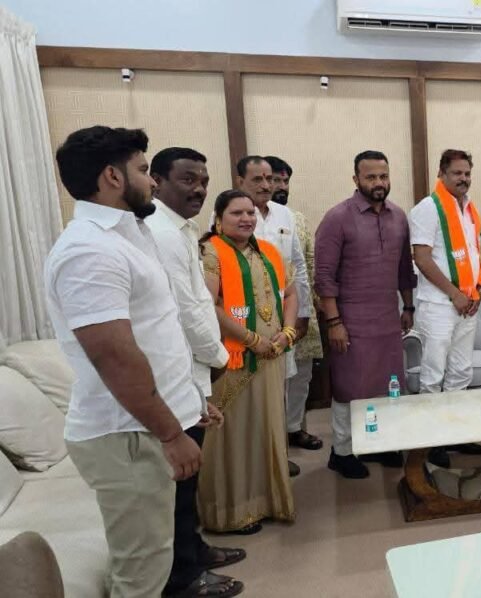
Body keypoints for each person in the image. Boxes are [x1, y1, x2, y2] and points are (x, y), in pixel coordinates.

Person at [45, 126, 204, 596]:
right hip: (128, 434)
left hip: (146, 422)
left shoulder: (130, 233)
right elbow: (115, 357)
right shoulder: (88, 250)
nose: (152, 181)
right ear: (112, 177)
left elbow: (157, 331)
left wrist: (190, 401)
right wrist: (171, 433)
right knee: (142, 573)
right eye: (143, 170)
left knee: (152, 559)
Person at [149, 147, 245, 597]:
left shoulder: (181, 230)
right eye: (188, 180)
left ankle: (193, 549)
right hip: (179, 370)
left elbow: (199, 302)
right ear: (157, 180)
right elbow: (189, 310)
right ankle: (183, 575)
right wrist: (219, 358)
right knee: (179, 483)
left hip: (190, 370)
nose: (199, 189)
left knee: (188, 481)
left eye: (203, 181)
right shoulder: (161, 233)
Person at [197, 189, 297, 535]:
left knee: (266, 428)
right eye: (236, 213)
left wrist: (287, 333)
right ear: (218, 219)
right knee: (233, 436)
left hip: (271, 356)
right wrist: (252, 340)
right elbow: (208, 305)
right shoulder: (211, 252)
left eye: (250, 213)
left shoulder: (268, 250)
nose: (246, 219)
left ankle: (267, 503)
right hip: (234, 359)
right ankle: (231, 513)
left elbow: (291, 292)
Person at [314, 151, 417, 478]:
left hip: (387, 319)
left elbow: (404, 269)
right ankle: (342, 452)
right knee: (349, 388)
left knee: (388, 385)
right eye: (371, 177)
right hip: (350, 322)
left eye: (383, 176)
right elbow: (324, 277)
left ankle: (380, 443)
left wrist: (408, 306)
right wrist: (334, 323)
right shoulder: (337, 218)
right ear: (356, 179)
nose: (378, 183)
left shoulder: (398, 217)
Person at [234, 156, 314, 475]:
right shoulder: (230, 213)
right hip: (244, 320)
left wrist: (303, 312)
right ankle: (252, 460)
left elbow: (297, 266)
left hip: (283, 318)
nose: (266, 185)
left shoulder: (284, 215)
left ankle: (276, 455)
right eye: (258, 179)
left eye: (270, 178)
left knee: (279, 388)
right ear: (240, 181)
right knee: (248, 392)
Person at [409, 149, 481, 466]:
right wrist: (454, 293)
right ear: (441, 173)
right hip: (439, 306)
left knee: (461, 371)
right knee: (433, 374)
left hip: (468, 305)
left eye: (467, 173)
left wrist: (478, 290)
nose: (463, 178)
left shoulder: (469, 209)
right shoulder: (427, 209)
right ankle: (431, 441)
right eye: (457, 173)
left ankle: (455, 433)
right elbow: (421, 258)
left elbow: (475, 254)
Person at [265, 155, 324, 453]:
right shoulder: (242, 214)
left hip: (301, 310)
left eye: (285, 181)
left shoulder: (296, 218)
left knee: (302, 373)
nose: (280, 186)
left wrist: (313, 304)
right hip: (266, 313)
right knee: (273, 380)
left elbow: (308, 262)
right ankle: (271, 438)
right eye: (274, 180)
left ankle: (294, 427)